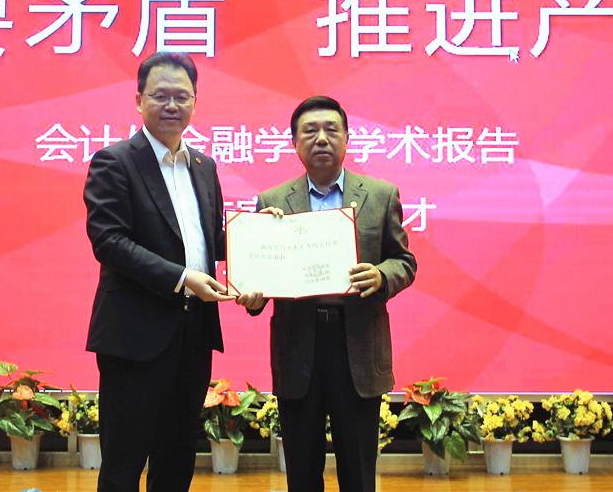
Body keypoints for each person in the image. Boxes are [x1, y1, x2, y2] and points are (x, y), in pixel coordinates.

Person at [237, 95, 417, 492]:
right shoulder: (272, 202)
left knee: (358, 471)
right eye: (310, 131)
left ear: (347, 138)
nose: (321, 138)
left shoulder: (381, 195)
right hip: (298, 346)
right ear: (294, 143)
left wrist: (382, 275)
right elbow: (260, 273)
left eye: (331, 129)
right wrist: (253, 293)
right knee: (302, 470)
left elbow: (404, 261)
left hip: (358, 345)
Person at [84, 52, 232, 492]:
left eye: (181, 96)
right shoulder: (115, 162)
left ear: (195, 102)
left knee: (176, 459)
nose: (172, 105)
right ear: (139, 100)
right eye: (160, 95)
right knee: (123, 464)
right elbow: (109, 242)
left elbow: (212, 241)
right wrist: (182, 278)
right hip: (134, 338)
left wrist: (264, 241)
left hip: (193, 335)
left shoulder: (204, 167)